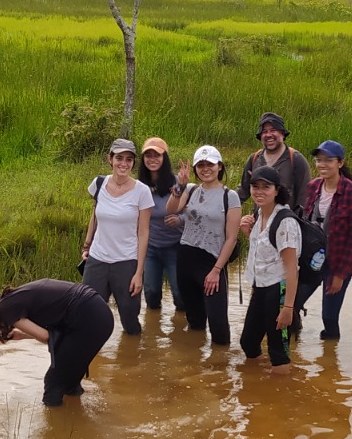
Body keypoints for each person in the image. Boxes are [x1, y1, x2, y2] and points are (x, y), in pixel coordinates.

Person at [0, 279, 114, 407]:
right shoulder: (13, 299)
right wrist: (22, 335)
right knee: (69, 379)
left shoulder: (4, 310)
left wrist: (25, 334)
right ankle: (75, 417)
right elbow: (53, 330)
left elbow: (46, 337)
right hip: (98, 313)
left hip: (88, 320)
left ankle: (57, 429)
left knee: (53, 382)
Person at [167, 144, 242, 345]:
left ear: (220, 167)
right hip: (185, 259)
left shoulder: (230, 196)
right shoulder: (190, 190)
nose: (205, 168)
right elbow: (171, 209)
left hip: (211, 262)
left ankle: (220, 368)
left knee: (218, 324)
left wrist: (217, 270)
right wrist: (180, 187)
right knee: (195, 321)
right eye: (200, 165)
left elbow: (231, 238)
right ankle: (195, 364)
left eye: (210, 164)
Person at [81, 138, 154, 334]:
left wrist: (139, 273)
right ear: (110, 159)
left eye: (129, 159)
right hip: (97, 260)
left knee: (129, 318)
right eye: (119, 158)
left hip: (126, 262)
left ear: (133, 163)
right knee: (87, 313)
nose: (123, 163)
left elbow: (144, 232)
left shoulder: (142, 191)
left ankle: (133, 359)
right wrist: (87, 246)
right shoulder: (98, 184)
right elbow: (94, 217)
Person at [294, 140, 352, 340]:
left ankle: (330, 356)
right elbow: (302, 223)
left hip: (337, 264)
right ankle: (293, 340)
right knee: (291, 305)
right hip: (311, 261)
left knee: (329, 317)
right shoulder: (312, 187)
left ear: (340, 163)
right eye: (318, 160)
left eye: (328, 160)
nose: (322, 164)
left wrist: (340, 275)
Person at [239, 165, 301, 375]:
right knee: (248, 342)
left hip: (279, 290)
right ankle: (257, 387)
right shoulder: (260, 213)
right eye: (255, 186)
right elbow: (266, 250)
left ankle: (281, 398)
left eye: (266, 187)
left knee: (278, 352)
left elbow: (292, 268)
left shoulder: (285, 222)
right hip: (261, 287)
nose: (259, 191)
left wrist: (288, 307)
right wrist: (248, 232)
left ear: (277, 190)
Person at [138, 137, 184, 314]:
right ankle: (151, 337)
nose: (152, 159)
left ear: (165, 158)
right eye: (148, 155)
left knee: (180, 296)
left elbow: (191, 211)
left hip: (175, 246)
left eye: (157, 155)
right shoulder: (139, 186)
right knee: (150, 294)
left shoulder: (177, 182)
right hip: (150, 248)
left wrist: (180, 219)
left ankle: (183, 337)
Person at [237, 112, 311, 204]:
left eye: (273, 130)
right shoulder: (254, 159)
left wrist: (296, 218)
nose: (268, 135)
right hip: (260, 217)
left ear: (283, 134)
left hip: (288, 217)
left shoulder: (296, 159)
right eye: (264, 131)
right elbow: (243, 192)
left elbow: (304, 197)